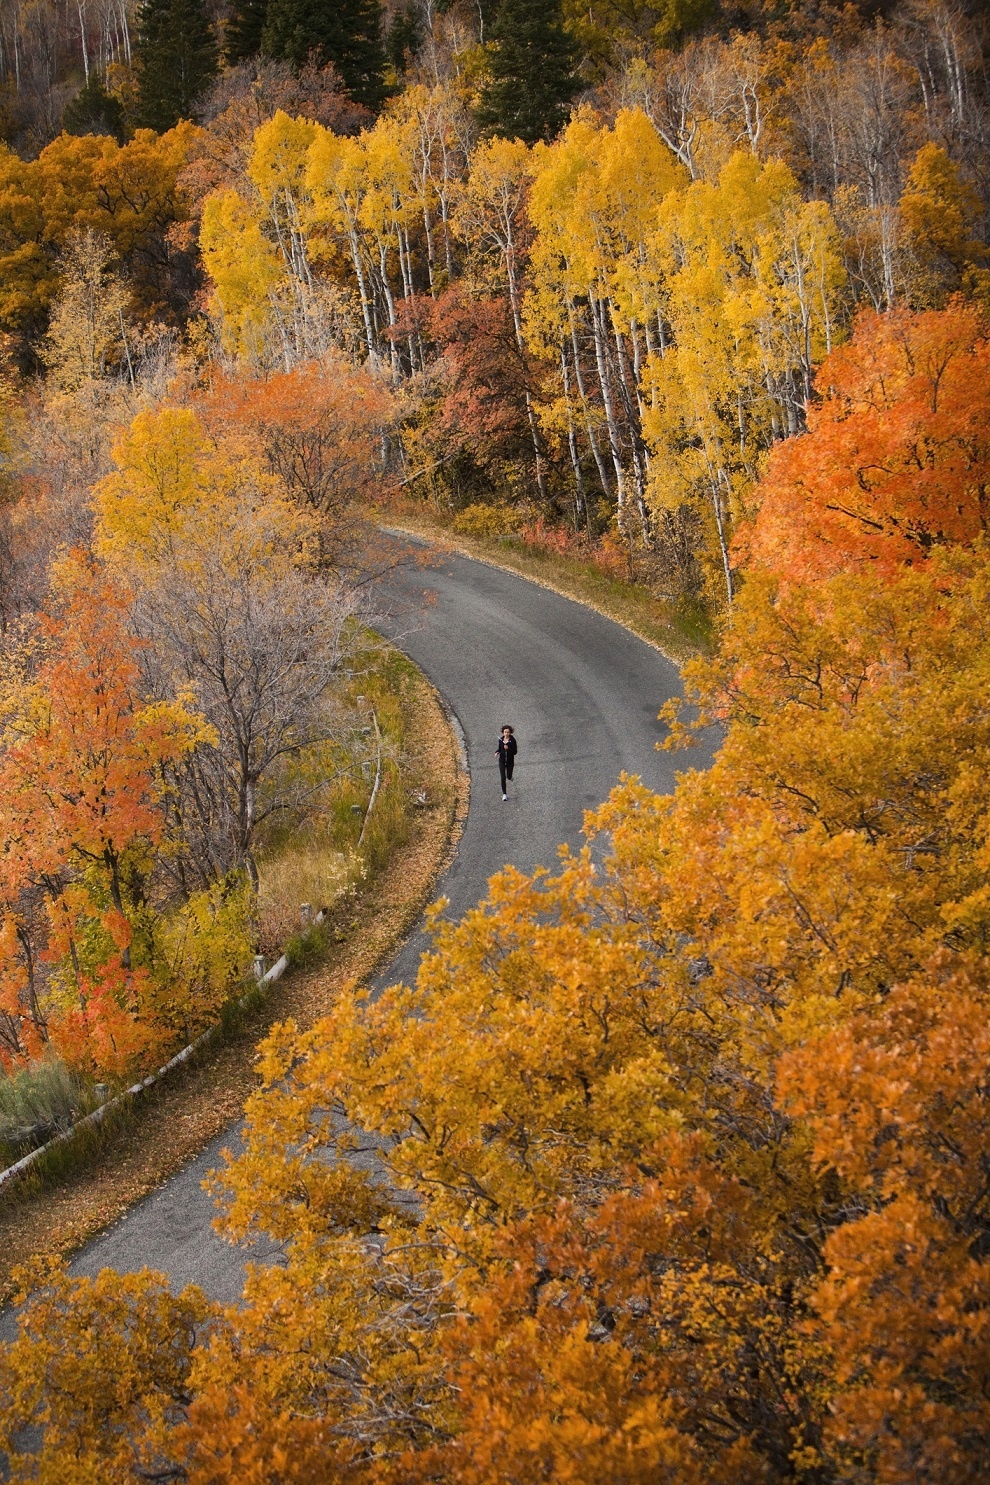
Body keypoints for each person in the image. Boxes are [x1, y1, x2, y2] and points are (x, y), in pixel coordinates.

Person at [496, 724, 517, 801]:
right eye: (505, 732)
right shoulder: (501, 740)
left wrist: (508, 748)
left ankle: (510, 777)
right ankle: (504, 794)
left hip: (510, 762)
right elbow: (499, 749)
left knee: (508, 776)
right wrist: (497, 752)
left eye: (508, 732)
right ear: (503, 732)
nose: (506, 733)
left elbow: (515, 752)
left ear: (510, 733)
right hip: (502, 761)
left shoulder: (513, 741)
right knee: (503, 777)